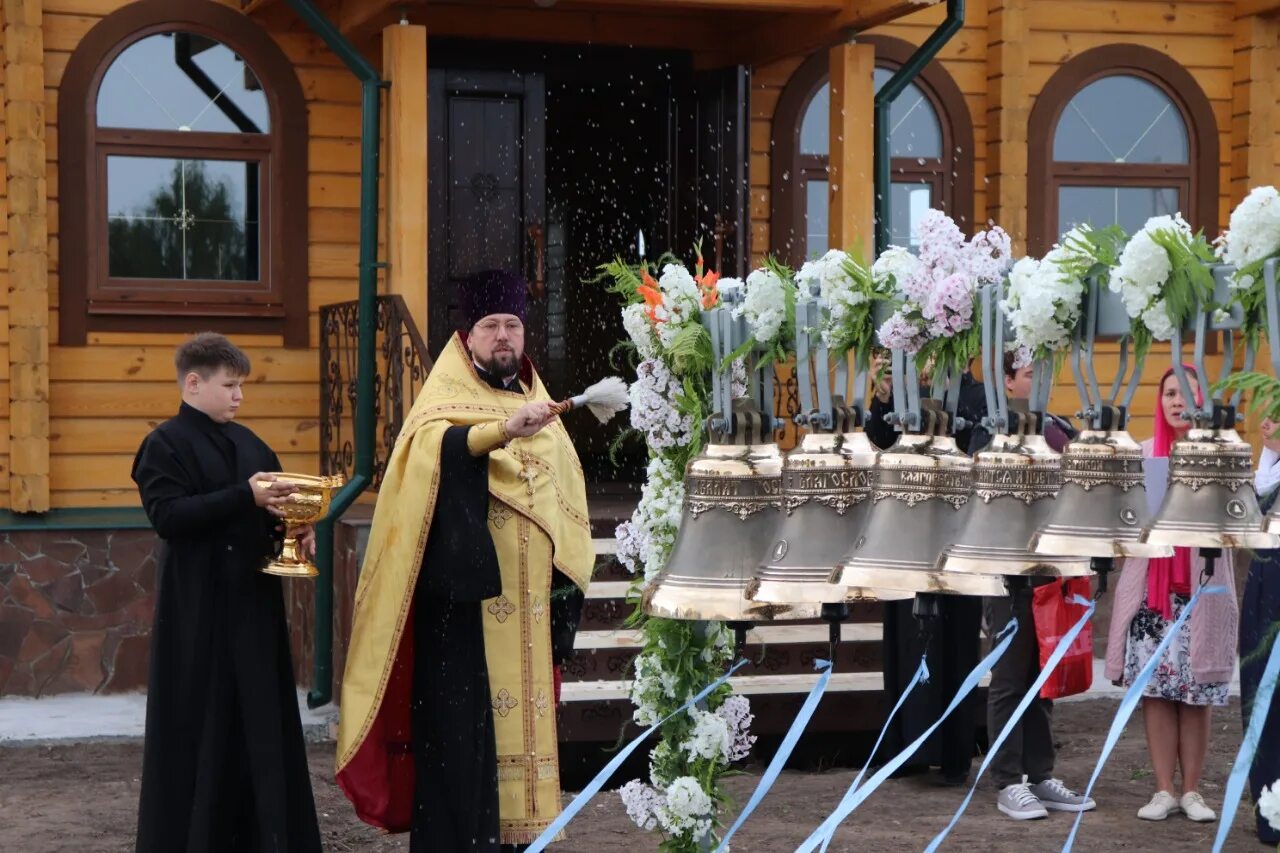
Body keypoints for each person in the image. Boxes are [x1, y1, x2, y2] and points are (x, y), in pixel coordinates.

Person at [336, 270, 594, 851]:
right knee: (461, 743)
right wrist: (500, 431)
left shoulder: (538, 400)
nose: (503, 336)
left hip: (527, 609)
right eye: (490, 326)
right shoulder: (441, 403)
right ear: (467, 337)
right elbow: (435, 456)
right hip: (463, 610)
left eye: (512, 325)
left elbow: (564, 490)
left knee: (524, 736)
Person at [131, 332, 322, 853]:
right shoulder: (164, 445)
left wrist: (297, 529)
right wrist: (246, 495)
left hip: (254, 610)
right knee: (203, 728)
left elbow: (275, 508)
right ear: (194, 383)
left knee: (259, 726)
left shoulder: (251, 444)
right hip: (198, 613)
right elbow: (168, 517)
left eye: (242, 386)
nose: (239, 396)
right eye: (230, 385)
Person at [1105, 365, 1238, 823]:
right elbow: (1127, 525)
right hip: (1154, 598)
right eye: (1169, 394)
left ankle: (1193, 791)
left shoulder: (1223, 453)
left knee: (1196, 692)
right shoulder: (1144, 456)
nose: (1177, 401)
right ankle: (1162, 790)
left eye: (1186, 392)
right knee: (1158, 693)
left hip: (1201, 591)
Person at [980, 352, 1094, 820]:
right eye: (1030, 374)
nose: (1039, 382)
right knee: (1009, 680)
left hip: (1051, 573)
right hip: (1006, 574)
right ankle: (1009, 781)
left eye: (1044, 373)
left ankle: (1041, 775)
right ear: (1008, 383)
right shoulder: (990, 433)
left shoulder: (1060, 429)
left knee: (1044, 677)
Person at [866, 349, 983, 787]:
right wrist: (884, 397)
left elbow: (976, 449)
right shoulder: (902, 394)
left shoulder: (973, 394)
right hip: (908, 532)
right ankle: (903, 750)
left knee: (956, 645)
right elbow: (877, 438)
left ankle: (953, 753)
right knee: (903, 639)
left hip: (954, 535)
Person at [1241, 415, 1280, 844]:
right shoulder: (1271, 461)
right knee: (1265, 696)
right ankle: (1272, 808)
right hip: (1273, 573)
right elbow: (1262, 501)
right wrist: (1272, 448)